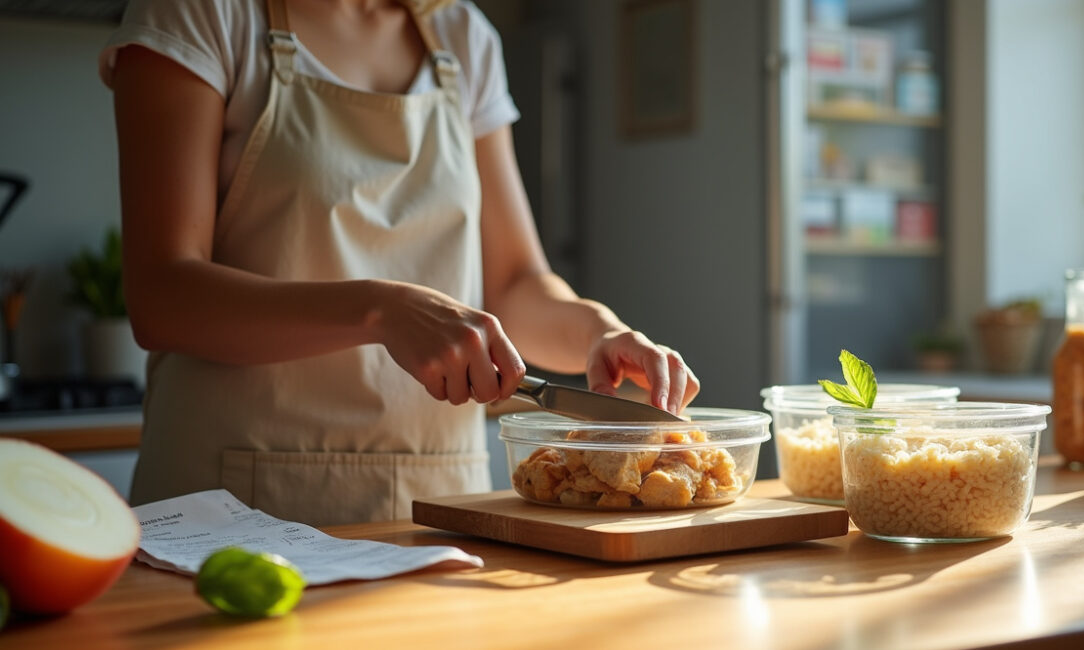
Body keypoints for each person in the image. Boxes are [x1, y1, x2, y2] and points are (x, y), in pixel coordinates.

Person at [99, 0, 699, 526]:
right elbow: (162, 297)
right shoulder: (200, 12)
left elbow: (516, 283)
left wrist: (602, 332)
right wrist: (381, 310)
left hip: (436, 506)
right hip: (228, 505)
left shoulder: (462, 35)